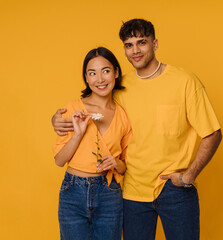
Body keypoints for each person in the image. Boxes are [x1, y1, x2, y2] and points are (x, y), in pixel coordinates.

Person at [52, 19, 222, 240]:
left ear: (155, 43)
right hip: (132, 191)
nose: (135, 50)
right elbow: (92, 105)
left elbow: (213, 133)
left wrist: (188, 176)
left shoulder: (185, 81)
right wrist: (56, 119)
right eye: (129, 45)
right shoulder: (119, 86)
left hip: (173, 188)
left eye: (141, 42)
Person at [53, 47, 132, 240]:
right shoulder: (72, 109)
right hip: (73, 191)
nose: (100, 79)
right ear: (86, 79)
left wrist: (116, 163)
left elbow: (125, 166)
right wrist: (78, 134)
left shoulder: (124, 115)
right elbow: (59, 160)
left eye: (105, 71)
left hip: (109, 192)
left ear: (116, 72)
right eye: (92, 73)